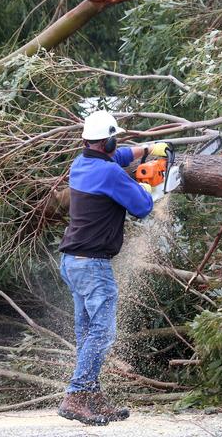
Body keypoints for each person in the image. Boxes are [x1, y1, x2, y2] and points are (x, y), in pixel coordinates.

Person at [57, 110, 169, 426]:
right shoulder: (111, 175)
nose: (116, 143)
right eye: (114, 138)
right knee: (104, 333)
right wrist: (152, 180)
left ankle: (91, 397)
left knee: (87, 333)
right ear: (107, 139)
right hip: (92, 264)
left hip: (72, 262)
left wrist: (148, 149)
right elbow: (143, 207)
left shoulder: (80, 165)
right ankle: (77, 395)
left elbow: (117, 156)